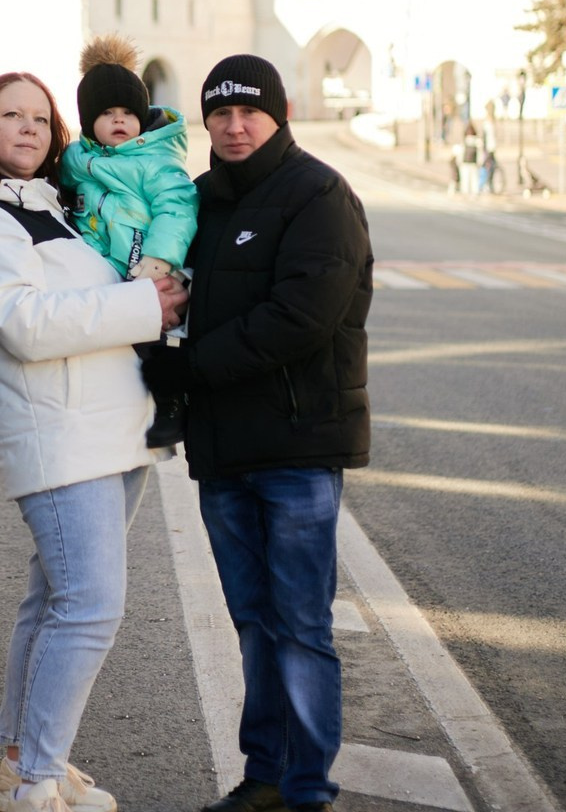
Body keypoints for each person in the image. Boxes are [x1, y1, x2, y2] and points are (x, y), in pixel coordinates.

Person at [0, 72, 186, 812]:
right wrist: (144, 302)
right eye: (11, 115)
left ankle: (27, 761)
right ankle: (36, 778)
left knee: (53, 602)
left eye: (40, 119)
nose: (29, 128)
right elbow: (26, 323)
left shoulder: (46, 205)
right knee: (91, 607)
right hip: (60, 436)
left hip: (110, 432)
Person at [141, 54, 373, 812]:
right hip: (224, 450)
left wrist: (192, 368)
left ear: (280, 114)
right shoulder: (197, 201)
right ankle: (266, 778)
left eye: (250, 112)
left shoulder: (319, 195)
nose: (234, 126)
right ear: (204, 120)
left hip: (298, 450)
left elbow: (302, 318)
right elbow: (165, 286)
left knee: (301, 626)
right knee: (253, 623)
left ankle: (308, 791)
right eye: (221, 113)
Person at [60, 34, 198, 446]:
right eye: (106, 113)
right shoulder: (75, 159)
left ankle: (172, 405)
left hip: (149, 270)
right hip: (103, 269)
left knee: (163, 346)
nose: (119, 120)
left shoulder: (155, 161)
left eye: (127, 112)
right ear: (88, 122)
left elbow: (178, 207)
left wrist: (159, 261)